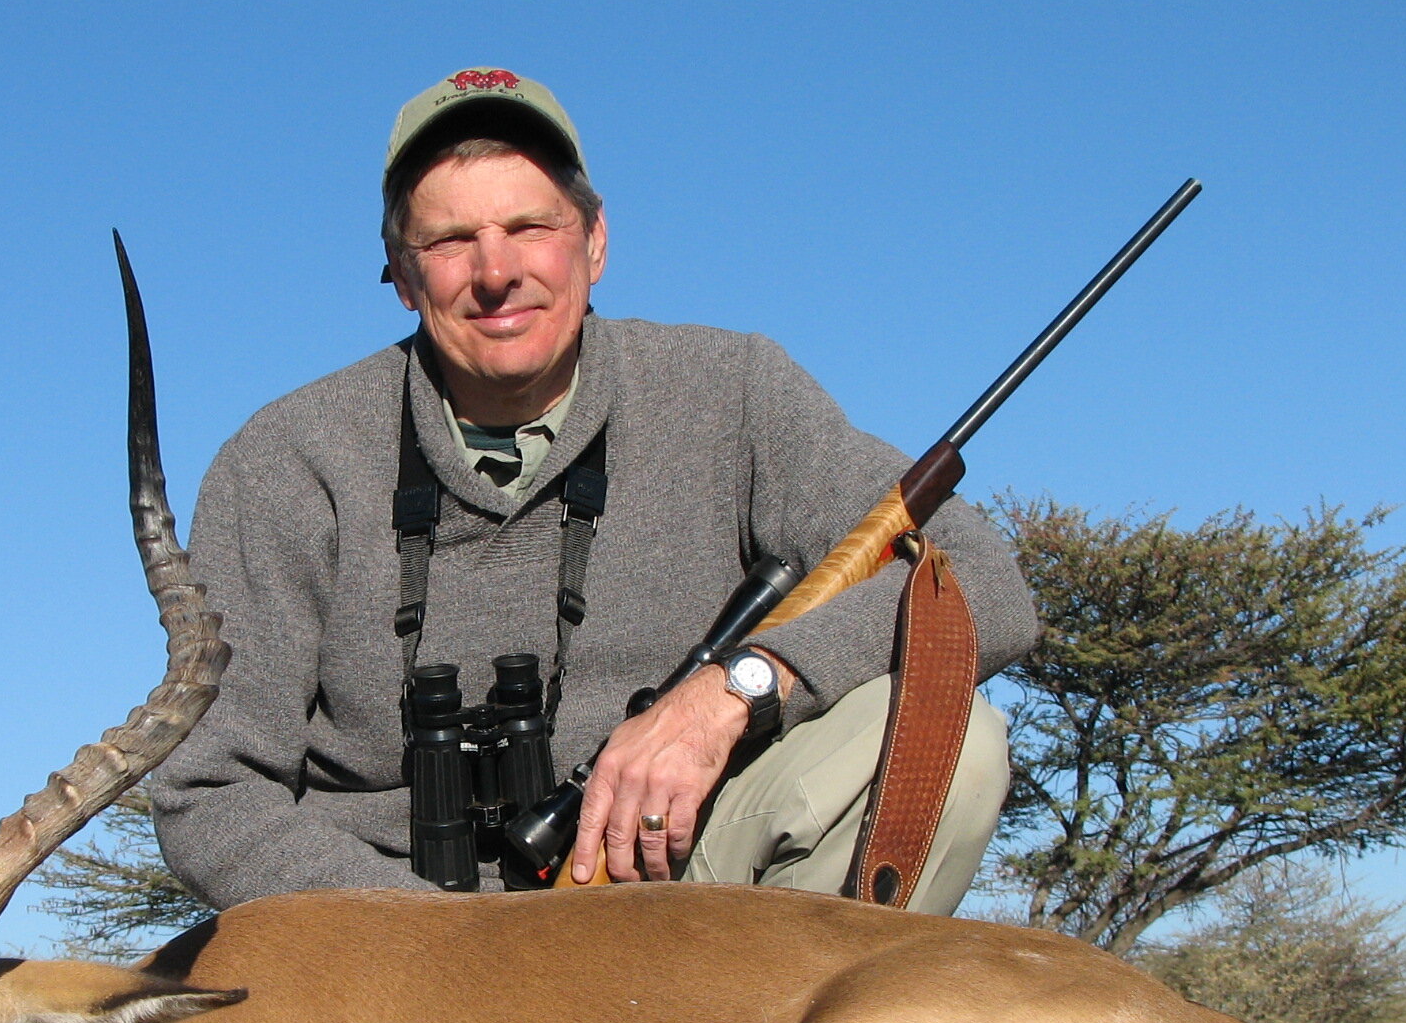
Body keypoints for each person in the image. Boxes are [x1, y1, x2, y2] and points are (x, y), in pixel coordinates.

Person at [151, 67, 1038, 911]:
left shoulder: (735, 390)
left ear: (596, 241)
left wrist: (736, 691)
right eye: (452, 240)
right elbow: (210, 791)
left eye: (531, 227)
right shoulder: (284, 459)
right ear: (402, 272)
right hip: (387, 951)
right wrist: (421, 944)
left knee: (953, 739)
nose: (496, 271)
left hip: (682, 898)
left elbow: (984, 589)